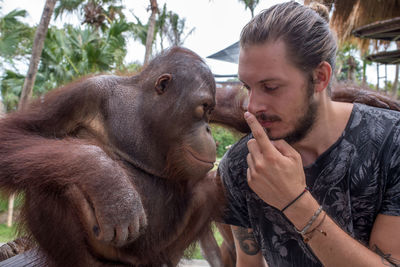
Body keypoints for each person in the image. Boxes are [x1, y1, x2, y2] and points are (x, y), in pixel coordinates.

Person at [219, 2, 400, 266]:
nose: (252, 105)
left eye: (270, 87)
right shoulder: (242, 164)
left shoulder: (391, 142)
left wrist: (294, 201)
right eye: (248, 86)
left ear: (320, 77)